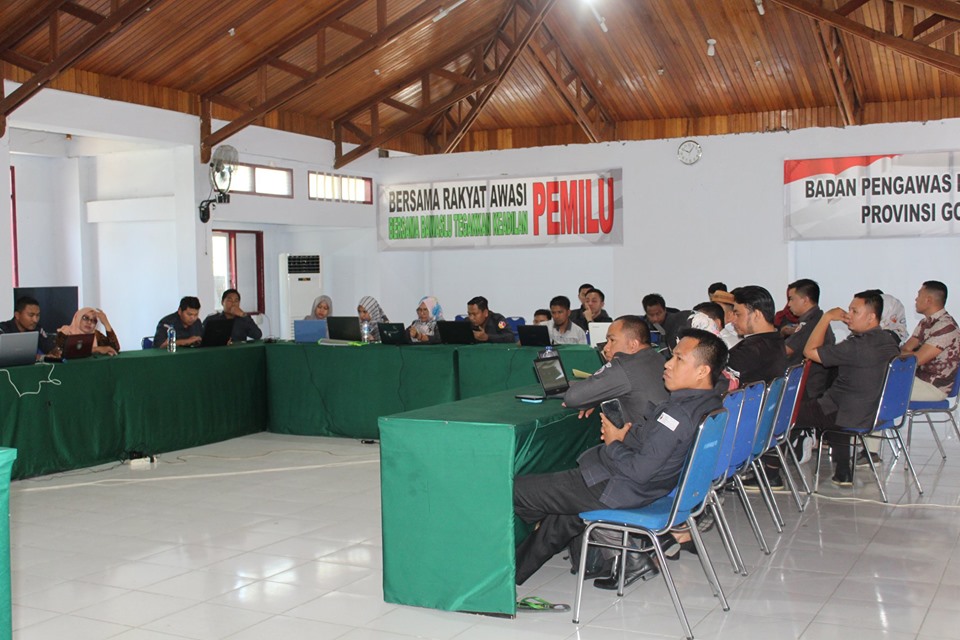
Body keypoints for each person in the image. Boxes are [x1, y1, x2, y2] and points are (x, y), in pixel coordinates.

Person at [513, 329, 726, 587]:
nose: (668, 364)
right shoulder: (710, 401)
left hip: (618, 486)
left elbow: (638, 471)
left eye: (679, 359)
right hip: (646, 486)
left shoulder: (678, 414)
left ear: (702, 371)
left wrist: (614, 441)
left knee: (512, 491)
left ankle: (493, 565)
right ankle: (515, 572)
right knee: (564, 515)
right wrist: (629, 435)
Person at [800, 290, 900, 486]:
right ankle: (843, 472)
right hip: (873, 410)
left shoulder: (856, 346)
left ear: (871, 317)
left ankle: (771, 472)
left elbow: (809, 351)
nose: (848, 315)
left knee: (783, 413)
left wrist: (826, 318)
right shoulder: (888, 340)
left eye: (855, 311)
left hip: (850, 413)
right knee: (836, 400)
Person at [563, 315, 668, 426]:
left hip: (640, 440)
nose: (606, 348)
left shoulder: (624, 366)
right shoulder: (659, 358)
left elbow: (572, 397)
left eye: (612, 340)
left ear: (633, 345)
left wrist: (593, 399)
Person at [902, 280, 960, 401]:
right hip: (917, 379)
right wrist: (913, 354)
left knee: (878, 388)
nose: (915, 299)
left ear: (928, 300)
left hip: (933, 387)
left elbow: (917, 359)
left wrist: (913, 354)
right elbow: (906, 349)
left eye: (919, 295)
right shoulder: (925, 323)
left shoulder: (946, 326)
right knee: (874, 382)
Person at [728, 285, 787, 386]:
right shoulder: (778, 340)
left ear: (756, 315)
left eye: (738, 314)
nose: (733, 321)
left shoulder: (749, 350)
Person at [55, 307, 120, 356]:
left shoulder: (96, 335)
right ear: (78, 317)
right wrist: (96, 349)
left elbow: (114, 349)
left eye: (94, 320)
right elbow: (62, 352)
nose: (89, 322)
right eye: (85, 318)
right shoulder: (65, 332)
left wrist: (106, 323)